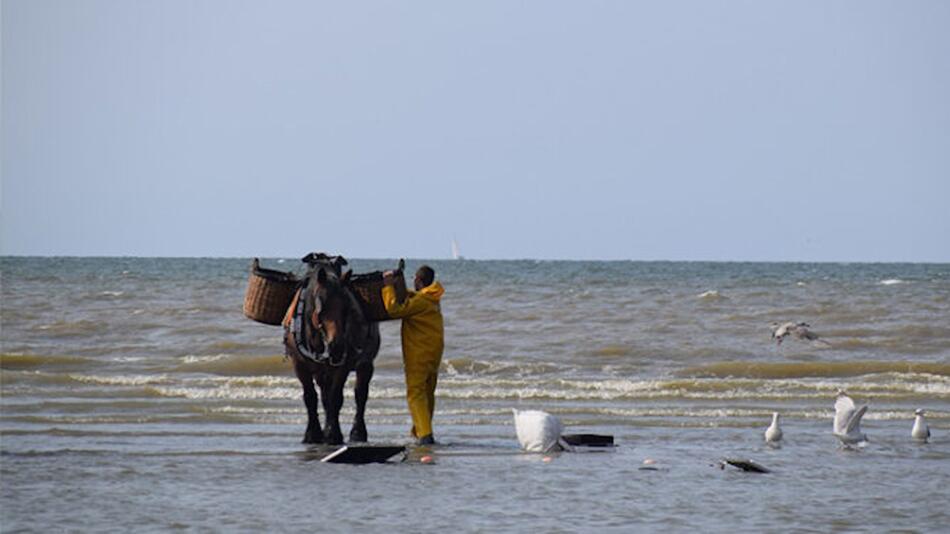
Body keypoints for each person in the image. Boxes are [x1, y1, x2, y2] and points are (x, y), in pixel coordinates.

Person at [382, 265, 445, 445]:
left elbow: (394, 310)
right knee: (427, 393)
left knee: (415, 394)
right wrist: (399, 286)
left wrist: (387, 288)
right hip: (434, 354)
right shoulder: (431, 297)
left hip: (419, 354)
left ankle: (425, 435)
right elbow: (414, 297)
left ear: (418, 280)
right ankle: (419, 430)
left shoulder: (421, 302)